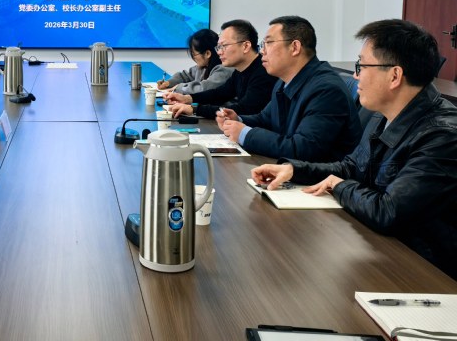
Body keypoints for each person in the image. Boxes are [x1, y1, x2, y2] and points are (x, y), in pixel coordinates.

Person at [252, 19, 456, 278]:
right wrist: (294, 170)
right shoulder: (384, 113)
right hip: (380, 251)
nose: (356, 75)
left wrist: (338, 186)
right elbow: (351, 167)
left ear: (394, 76)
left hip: (424, 273)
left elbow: (389, 211)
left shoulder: (442, 134)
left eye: (362, 65)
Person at [218, 15, 361, 161]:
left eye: (268, 43)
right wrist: (239, 119)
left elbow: (303, 149)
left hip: (319, 173)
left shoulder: (326, 90)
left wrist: (245, 134)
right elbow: (266, 119)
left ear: (295, 47)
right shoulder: (284, 81)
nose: (262, 51)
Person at [166, 19, 276, 120]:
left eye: (224, 46)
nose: (219, 52)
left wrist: (195, 109)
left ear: (246, 46)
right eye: (218, 47)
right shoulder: (240, 71)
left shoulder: (264, 72)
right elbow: (220, 93)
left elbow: (244, 109)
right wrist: (187, 98)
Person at [156, 29, 234, 95]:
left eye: (194, 54)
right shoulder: (203, 66)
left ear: (207, 54)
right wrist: (168, 83)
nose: (193, 58)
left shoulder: (224, 69)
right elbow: (185, 76)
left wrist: (179, 87)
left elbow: (203, 89)